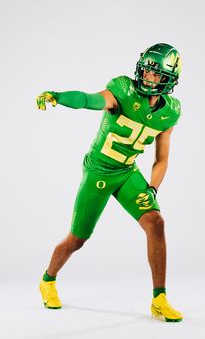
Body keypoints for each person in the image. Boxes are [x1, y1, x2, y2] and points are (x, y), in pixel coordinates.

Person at [36, 43, 183, 322]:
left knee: (156, 222)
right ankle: (48, 280)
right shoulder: (122, 90)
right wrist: (58, 97)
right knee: (78, 239)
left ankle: (159, 298)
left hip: (127, 172)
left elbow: (161, 158)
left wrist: (152, 188)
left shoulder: (171, 111)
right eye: (147, 71)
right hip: (99, 171)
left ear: (168, 79)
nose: (149, 77)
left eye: (156, 74)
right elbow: (90, 100)